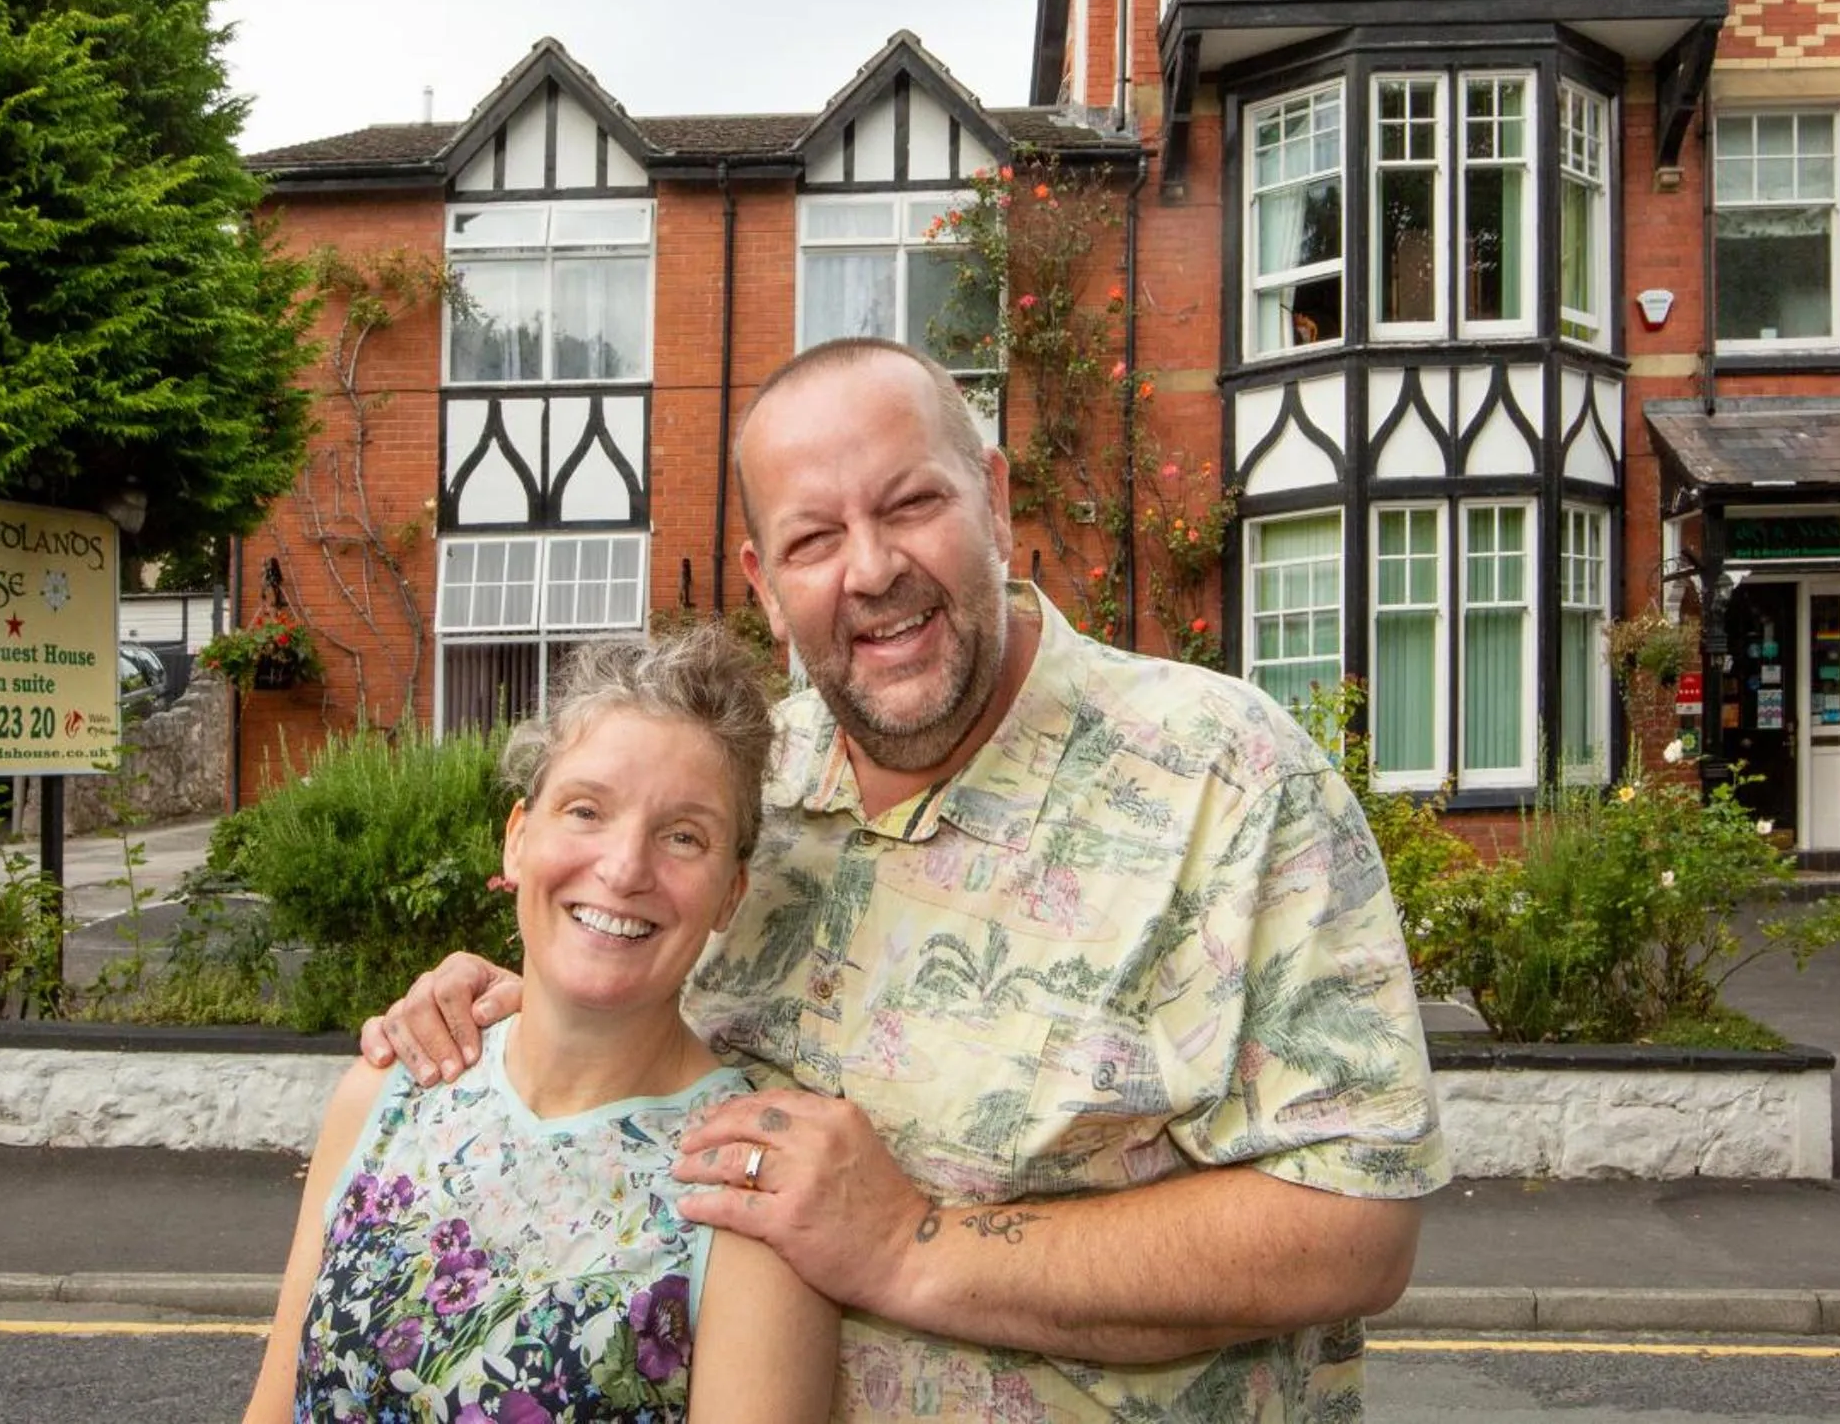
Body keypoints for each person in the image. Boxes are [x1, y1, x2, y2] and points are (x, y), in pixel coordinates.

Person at [365, 337, 1446, 1421]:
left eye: (910, 503)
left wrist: (911, 1247)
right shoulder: (742, 793)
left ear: (996, 501)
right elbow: (646, 1055)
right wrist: (530, 1011)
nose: (871, 568)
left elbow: (1352, 1229)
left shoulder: (1223, 777)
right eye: (815, 538)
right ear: (767, 586)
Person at [245, 627, 839, 1424]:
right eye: (587, 809)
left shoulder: (744, 1194)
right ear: (519, 835)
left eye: (683, 835)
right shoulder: (386, 1093)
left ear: (731, 892)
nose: (625, 867)